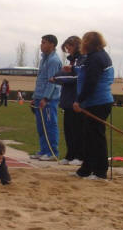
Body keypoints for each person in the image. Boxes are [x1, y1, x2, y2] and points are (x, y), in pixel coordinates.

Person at [72, 31, 114, 180]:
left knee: (96, 137)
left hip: (98, 102)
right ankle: (86, 169)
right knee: (88, 137)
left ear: (88, 43)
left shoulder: (96, 58)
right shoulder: (97, 56)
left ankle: (100, 171)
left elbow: (91, 82)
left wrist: (79, 100)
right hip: (95, 101)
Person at [51, 36, 83, 166]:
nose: (67, 49)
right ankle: (70, 155)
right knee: (68, 129)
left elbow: (75, 77)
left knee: (77, 130)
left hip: (76, 99)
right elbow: (62, 73)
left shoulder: (81, 60)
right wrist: (59, 76)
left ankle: (80, 156)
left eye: (69, 46)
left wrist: (58, 78)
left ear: (76, 45)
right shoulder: (71, 61)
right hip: (67, 99)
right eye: (66, 47)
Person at [29, 35, 62, 161]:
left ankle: (52, 152)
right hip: (39, 96)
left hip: (49, 99)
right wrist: (35, 97)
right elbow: (40, 80)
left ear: (52, 45)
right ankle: (43, 150)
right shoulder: (44, 59)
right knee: (41, 126)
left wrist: (46, 98)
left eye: (44, 42)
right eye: (41, 42)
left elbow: (52, 82)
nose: (41, 45)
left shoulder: (54, 60)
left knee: (49, 125)